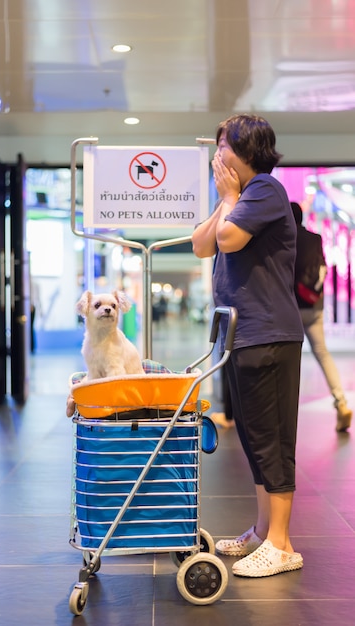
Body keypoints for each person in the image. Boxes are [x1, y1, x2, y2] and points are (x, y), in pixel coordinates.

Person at [192, 113, 304, 578]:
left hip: (269, 334)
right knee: (257, 441)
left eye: (226, 147)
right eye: (218, 146)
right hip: (244, 336)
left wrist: (228, 198)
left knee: (273, 441)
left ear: (249, 152)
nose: (219, 155)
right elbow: (203, 245)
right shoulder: (239, 197)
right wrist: (224, 201)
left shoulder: (264, 191)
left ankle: (281, 544)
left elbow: (229, 240)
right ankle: (262, 531)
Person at [291, 201, 352, 432]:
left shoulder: (284, 239)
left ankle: (285, 415)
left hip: (292, 308)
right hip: (315, 306)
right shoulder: (315, 238)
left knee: (289, 361)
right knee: (323, 354)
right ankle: (341, 402)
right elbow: (323, 267)